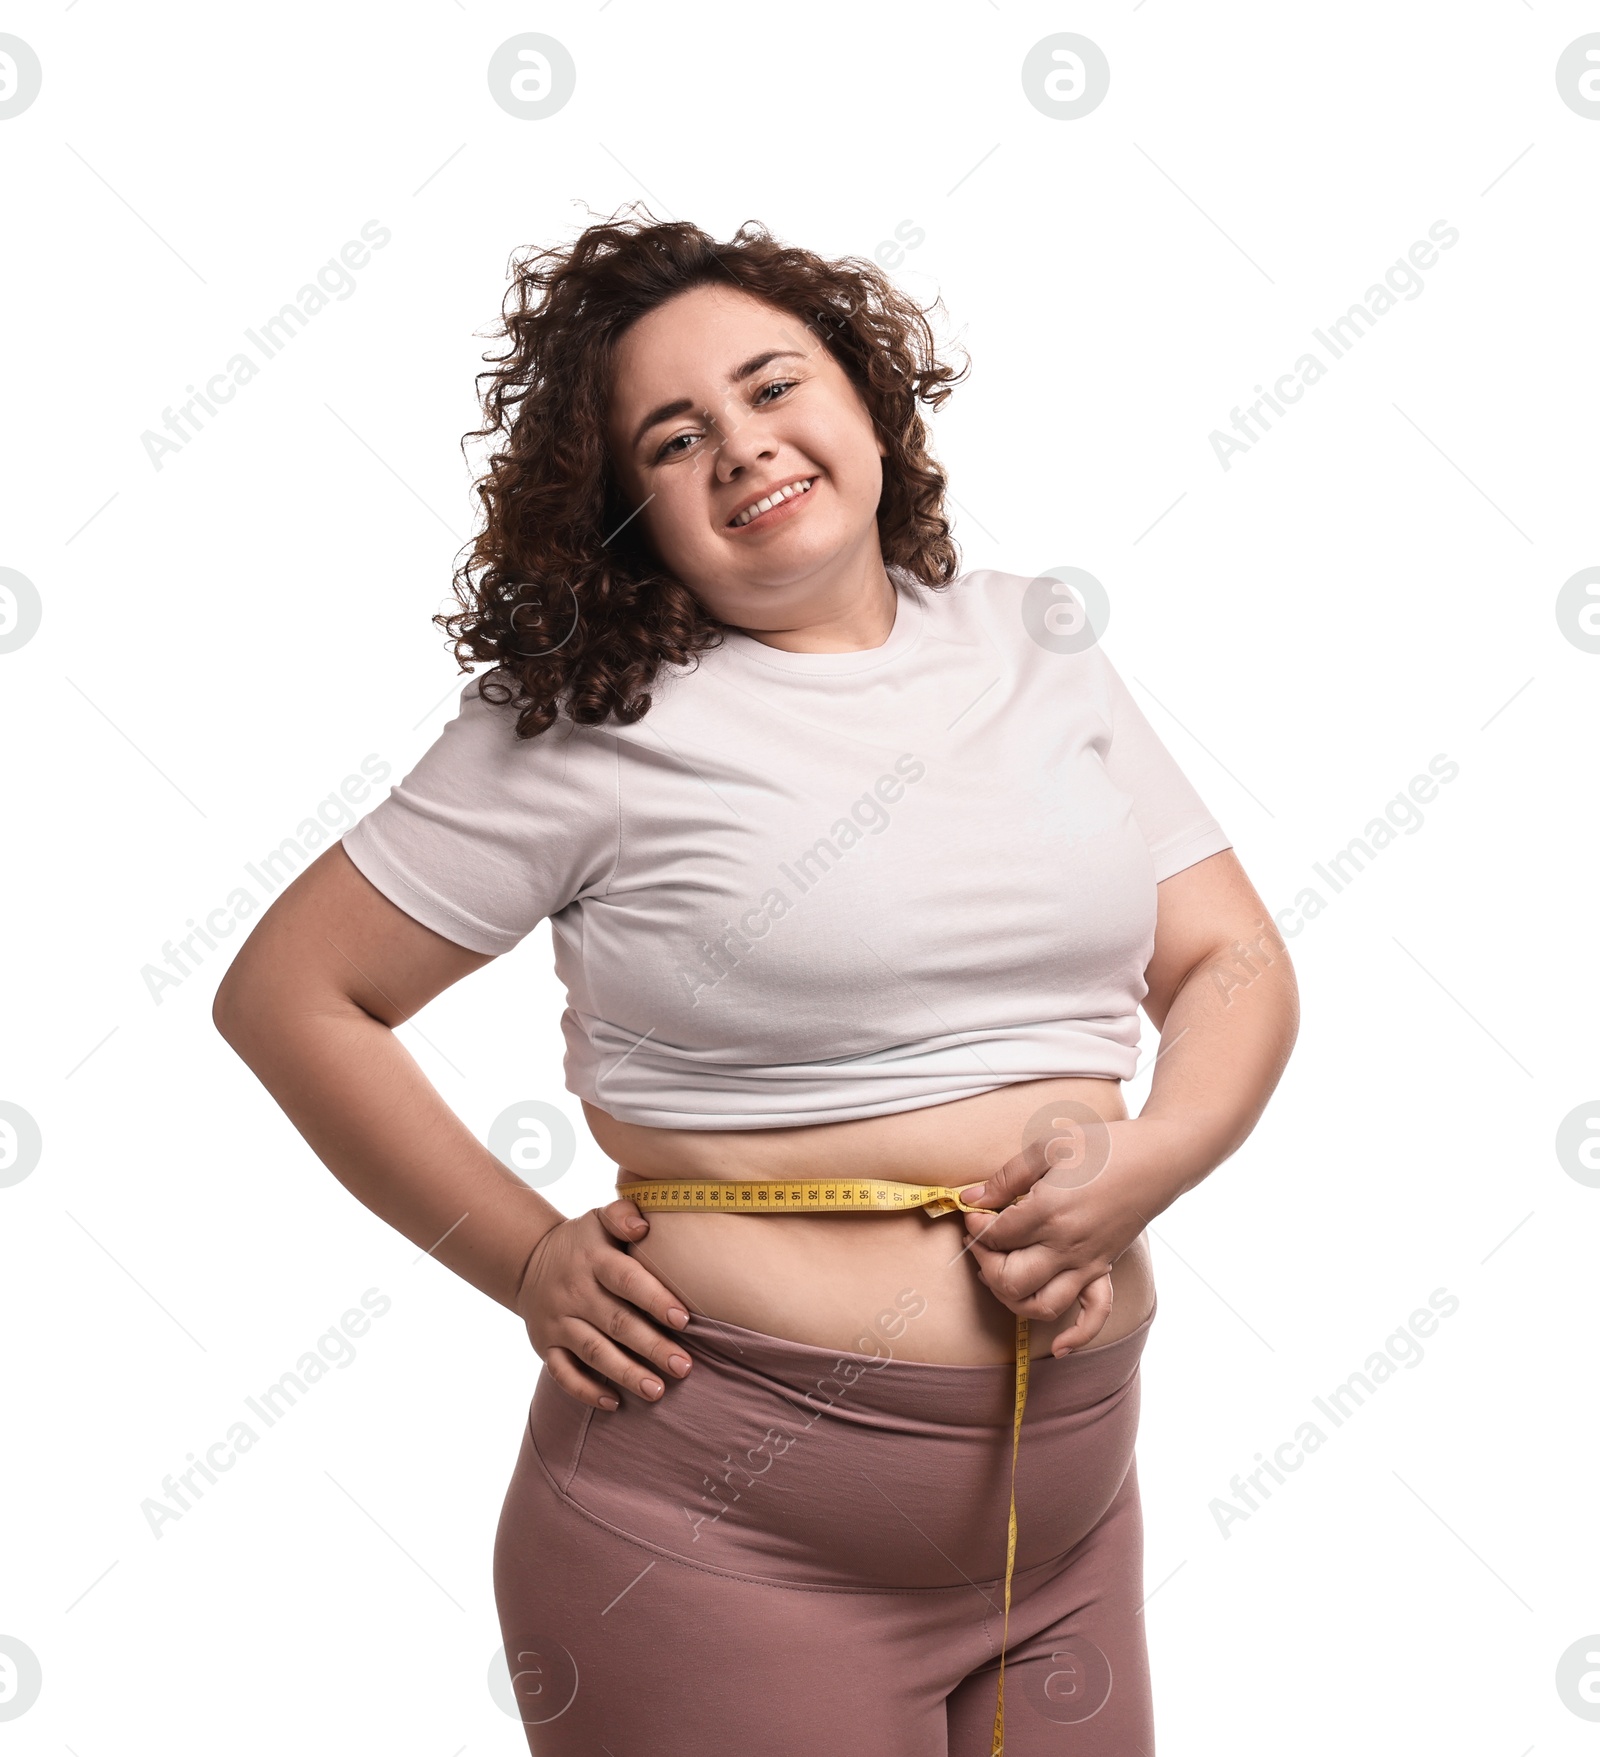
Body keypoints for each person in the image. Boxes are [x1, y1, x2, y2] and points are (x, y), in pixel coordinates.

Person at [212, 205, 1299, 1755]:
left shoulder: (1035, 643)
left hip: (1062, 1533)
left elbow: (1229, 958)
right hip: (718, 1555)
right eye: (674, 436)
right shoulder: (585, 720)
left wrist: (1155, 1157)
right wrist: (523, 1257)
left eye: (775, 385)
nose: (744, 446)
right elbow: (290, 992)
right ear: (623, 507)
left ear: (862, 396)